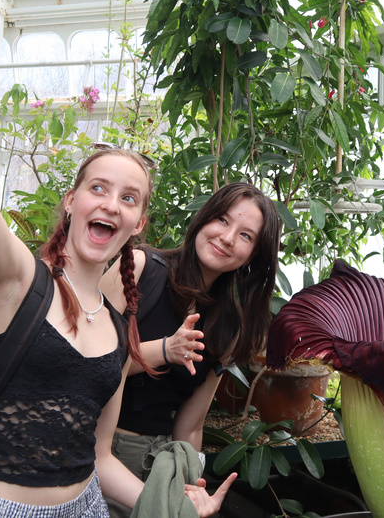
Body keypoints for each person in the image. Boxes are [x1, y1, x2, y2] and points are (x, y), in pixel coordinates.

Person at [0, 0, 234, 518]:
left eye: (129, 199)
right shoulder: (19, 281)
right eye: (99, 188)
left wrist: (176, 507)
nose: (112, 203)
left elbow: (101, 459)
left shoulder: (116, 328)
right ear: (72, 201)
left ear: (138, 226)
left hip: (85, 507)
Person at [102, 183, 281, 518]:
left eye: (246, 236)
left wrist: (193, 489)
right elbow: (82, 360)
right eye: (223, 221)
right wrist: (165, 350)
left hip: (161, 467)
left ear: (254, 255)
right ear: (204, 219)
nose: (227, 238)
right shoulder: (141, 268)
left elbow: (191, 426)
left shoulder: (229, 327)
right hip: (97, 454)